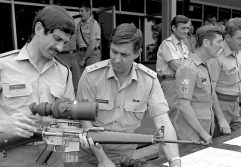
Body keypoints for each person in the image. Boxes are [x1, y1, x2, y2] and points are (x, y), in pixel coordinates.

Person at [0, 5, 75, 167]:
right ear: (39, 28)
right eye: (57, 39)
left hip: (53, 157)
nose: (60, 48)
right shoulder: (1, 66)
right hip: (16, 158)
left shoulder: (64, 72)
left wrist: (72, 152)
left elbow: (68, 117)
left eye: (65, 42)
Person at [77, 23, 181, 167]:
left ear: (137, 53)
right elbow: (85, 122)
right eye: (114, 52)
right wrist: (102, 159)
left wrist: (175, 160)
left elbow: (163, 122)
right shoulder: (91, 76)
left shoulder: (149, 80)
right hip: (90, 155)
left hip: (125, 157)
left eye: (124, 54)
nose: (117, 59)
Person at [174, 25, 224, 147]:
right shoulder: (188, 68)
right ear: (206, 42)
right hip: (192, 133)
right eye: (219, 42)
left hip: (204, 128)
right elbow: (184, 106)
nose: (222, 46)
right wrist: (203, 133)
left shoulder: (204, 65)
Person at [207, 17, 241, 138]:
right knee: (219, 145)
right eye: (240, 38)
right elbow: (210, 90)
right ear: (227, 37)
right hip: (221, 107)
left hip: (235, 105)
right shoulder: (217, 56)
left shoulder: (237, 51)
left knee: (238, 140)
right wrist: (221, 119)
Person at [156, 15, 190, 121]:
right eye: (183, 28)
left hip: (182, 81)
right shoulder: (168, 44)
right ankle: (167, 137)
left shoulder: (184, 46)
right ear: (174, 28)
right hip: (170, 83)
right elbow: (176, 66)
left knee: (180, 115)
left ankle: (176, 137)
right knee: (170, 115)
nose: (186, 31)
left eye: (188, 28)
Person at [76, 2, 101, 72]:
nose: (80, 13)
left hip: (92, 55)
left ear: (88, 11)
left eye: (82, 11)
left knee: (93, 78)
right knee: (82, 79)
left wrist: (84, 58)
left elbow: (92, 45)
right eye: (79, 11)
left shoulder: (94, 24)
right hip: (81, 54)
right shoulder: (79, 25)